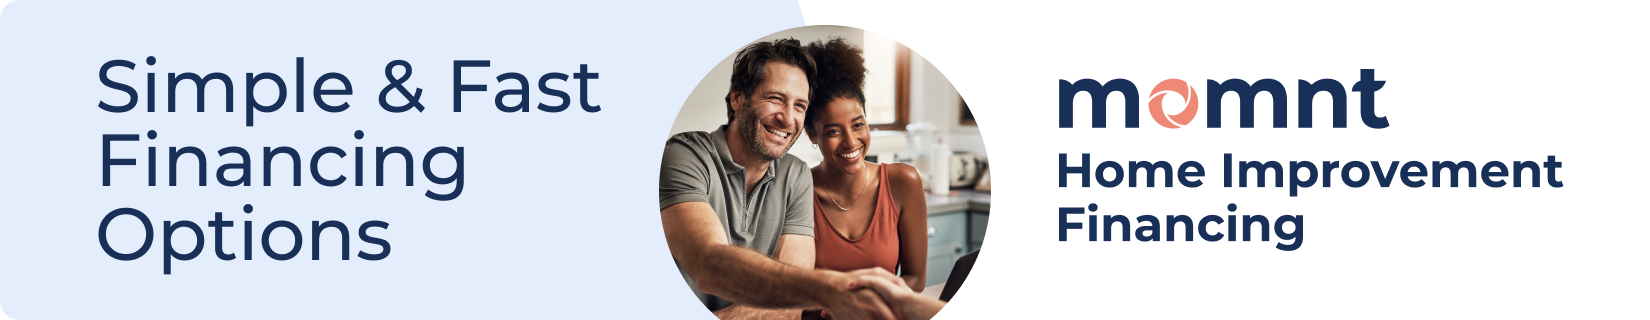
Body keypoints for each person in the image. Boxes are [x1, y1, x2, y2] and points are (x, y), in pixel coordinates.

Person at [659, 38, 904, 320]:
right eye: (775, 98)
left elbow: (790, 307)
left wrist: (792, 299)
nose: (788, 119)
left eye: (800, 105)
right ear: (737, 98)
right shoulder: (685, 155)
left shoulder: (795, 175)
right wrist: (831, 288)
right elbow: (709, 265)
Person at [802, 37, 929, 292]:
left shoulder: (904, 182)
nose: (851, 142)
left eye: (858, 125)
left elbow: (915, 279)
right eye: (833, 131)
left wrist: (862, 308)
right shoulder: (799, 189)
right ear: (813, 135)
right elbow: (789, 286)